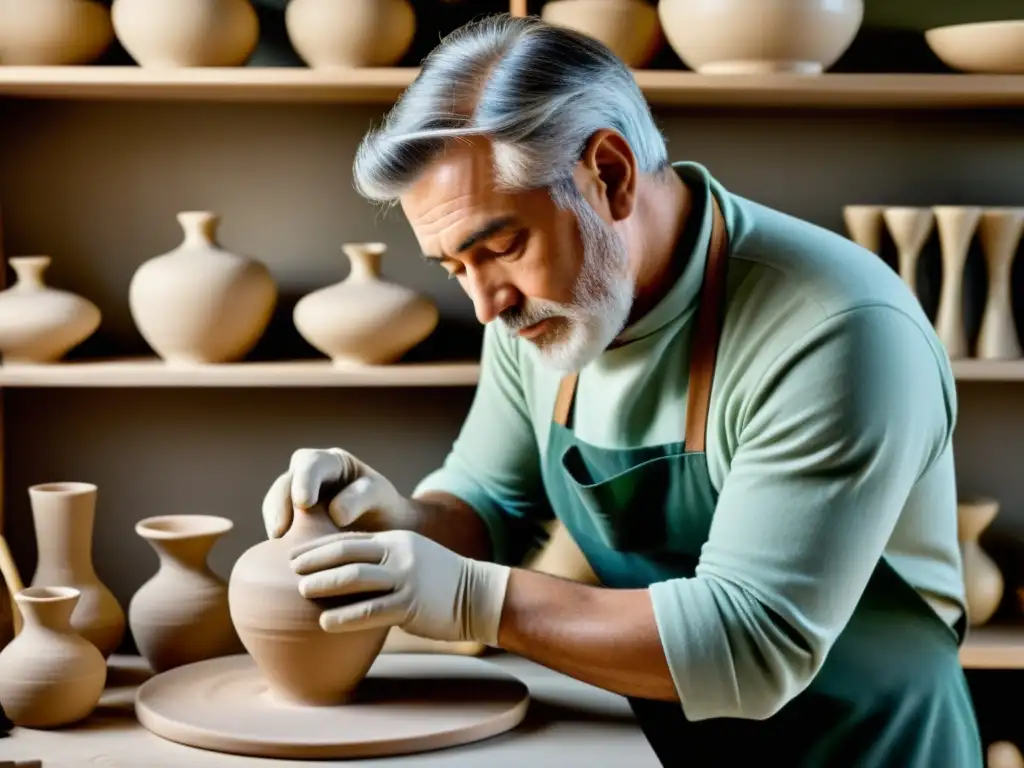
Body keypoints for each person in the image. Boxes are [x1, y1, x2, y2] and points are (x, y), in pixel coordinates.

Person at [261, 13, 983, 767]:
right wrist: (393, 522)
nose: (484, 304)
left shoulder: (836, 328)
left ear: (609, 173)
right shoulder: (539, 314)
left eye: (501, 247)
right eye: (454, 267)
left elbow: (751, 644)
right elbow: (489, 502)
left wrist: (475, 599)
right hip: (658, 744)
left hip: (863, 748)